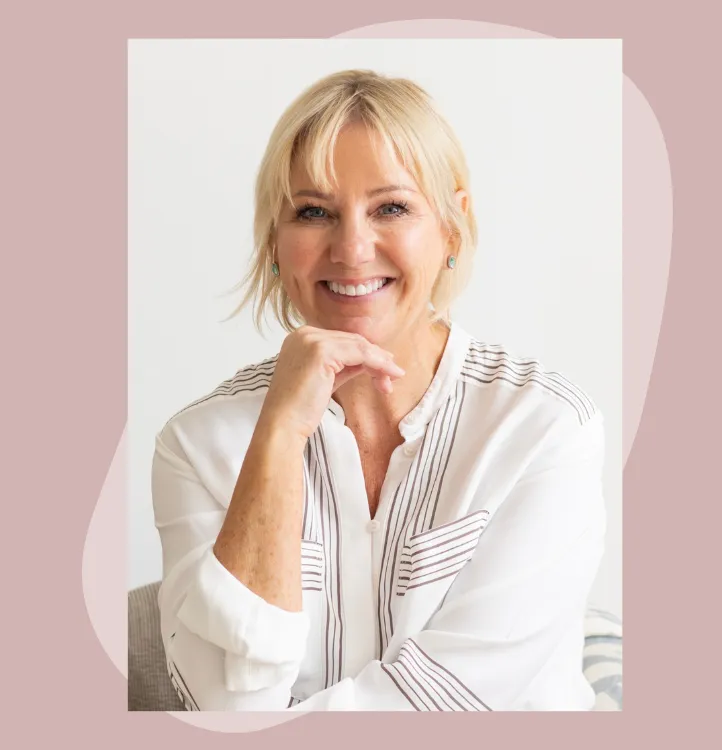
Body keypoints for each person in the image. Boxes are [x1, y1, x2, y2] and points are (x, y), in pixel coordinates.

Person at [151, 69, 607, 711]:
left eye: (391, 208)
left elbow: (459, 699)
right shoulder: (199, 445)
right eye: (314, 212)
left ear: (451, 228)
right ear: (275, 243)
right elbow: (223, 703)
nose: (352, 248)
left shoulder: (542, 426)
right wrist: (279, 436)